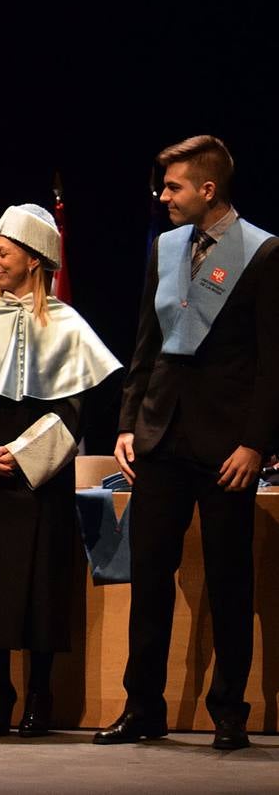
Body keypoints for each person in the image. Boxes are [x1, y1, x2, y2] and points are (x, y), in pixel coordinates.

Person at [97, 136, 279, 751]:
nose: (163, 196)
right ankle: (142, 707)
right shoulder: (166, 247)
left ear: (208, 189)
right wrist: (127, 423)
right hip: (159, 437)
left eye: (174, 186)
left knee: (230, 583)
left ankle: (230, 711)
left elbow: (273, 362)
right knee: (148, 580)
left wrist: (256, 443)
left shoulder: (262, 252)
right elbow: (145, 344)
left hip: (227, 447)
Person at [0, 204, 121, 737]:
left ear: (34, 259)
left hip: (39, 474)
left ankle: (39, 692)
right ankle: (0, 693)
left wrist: (25, 454)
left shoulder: (67, 324)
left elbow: (77, 408)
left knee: (38, 583)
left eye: (2, 251)